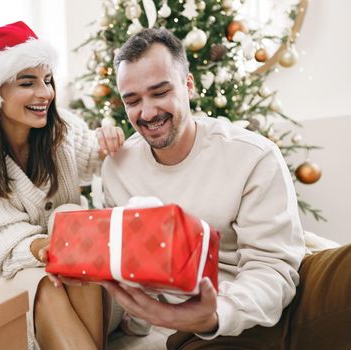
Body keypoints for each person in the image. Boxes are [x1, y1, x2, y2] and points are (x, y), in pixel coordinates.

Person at [100, 27, 351, 349]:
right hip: (200, 327)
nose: (147, 112)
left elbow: (271, 266)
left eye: (160, 92)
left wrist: (224, 310)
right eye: (132, 100)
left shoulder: (251, 154)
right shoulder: (118, 169)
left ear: (188, 86)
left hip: (293, 298)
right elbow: (126, 264)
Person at [0, 21, 124, 350]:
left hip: (81, 269)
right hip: (23, 270)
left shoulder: (63, 131)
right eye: (27, 82)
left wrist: (108, 142)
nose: (45, 93)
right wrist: (42, 247)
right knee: (47, 283)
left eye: (47, 80)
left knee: (71, 218)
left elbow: (94, 158)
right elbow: (0, 238)